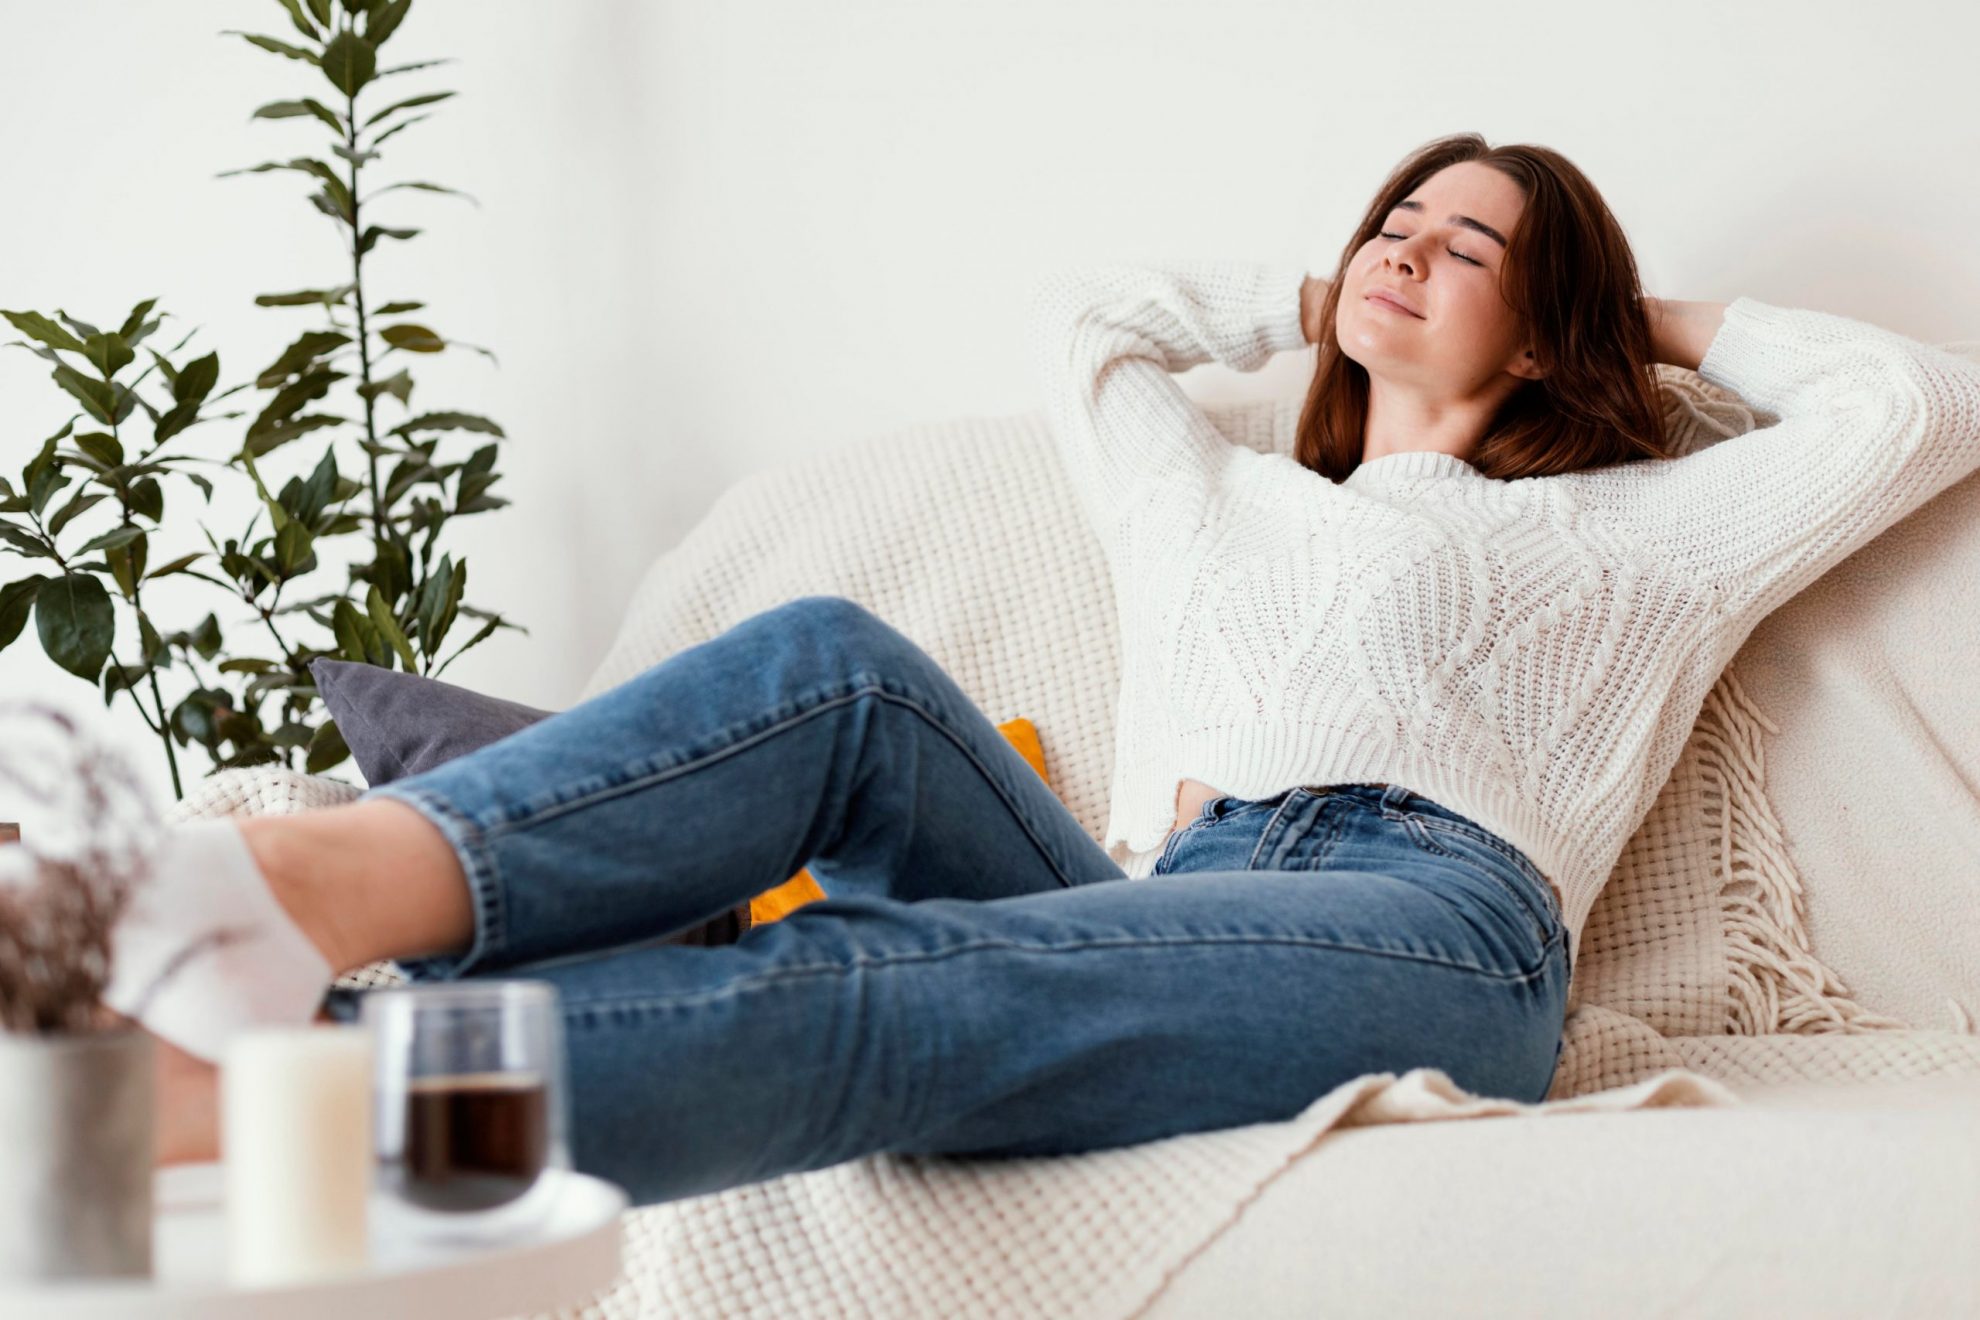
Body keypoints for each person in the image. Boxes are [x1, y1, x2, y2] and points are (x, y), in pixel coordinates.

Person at [103, 132, 1980, 1207]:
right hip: (1167, 896)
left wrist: (1621, 309)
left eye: (1468, 242)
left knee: (873, 981)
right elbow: (1093, 334)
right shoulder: (1220, 498)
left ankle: (254, 1100)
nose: (1403, 250)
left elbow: (1921, 403)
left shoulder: (1634, 534)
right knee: (836, 667)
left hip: (1434, 928)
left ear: (1548, 311)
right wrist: (1311, 297)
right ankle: (277, 888)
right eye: (1389, 222)